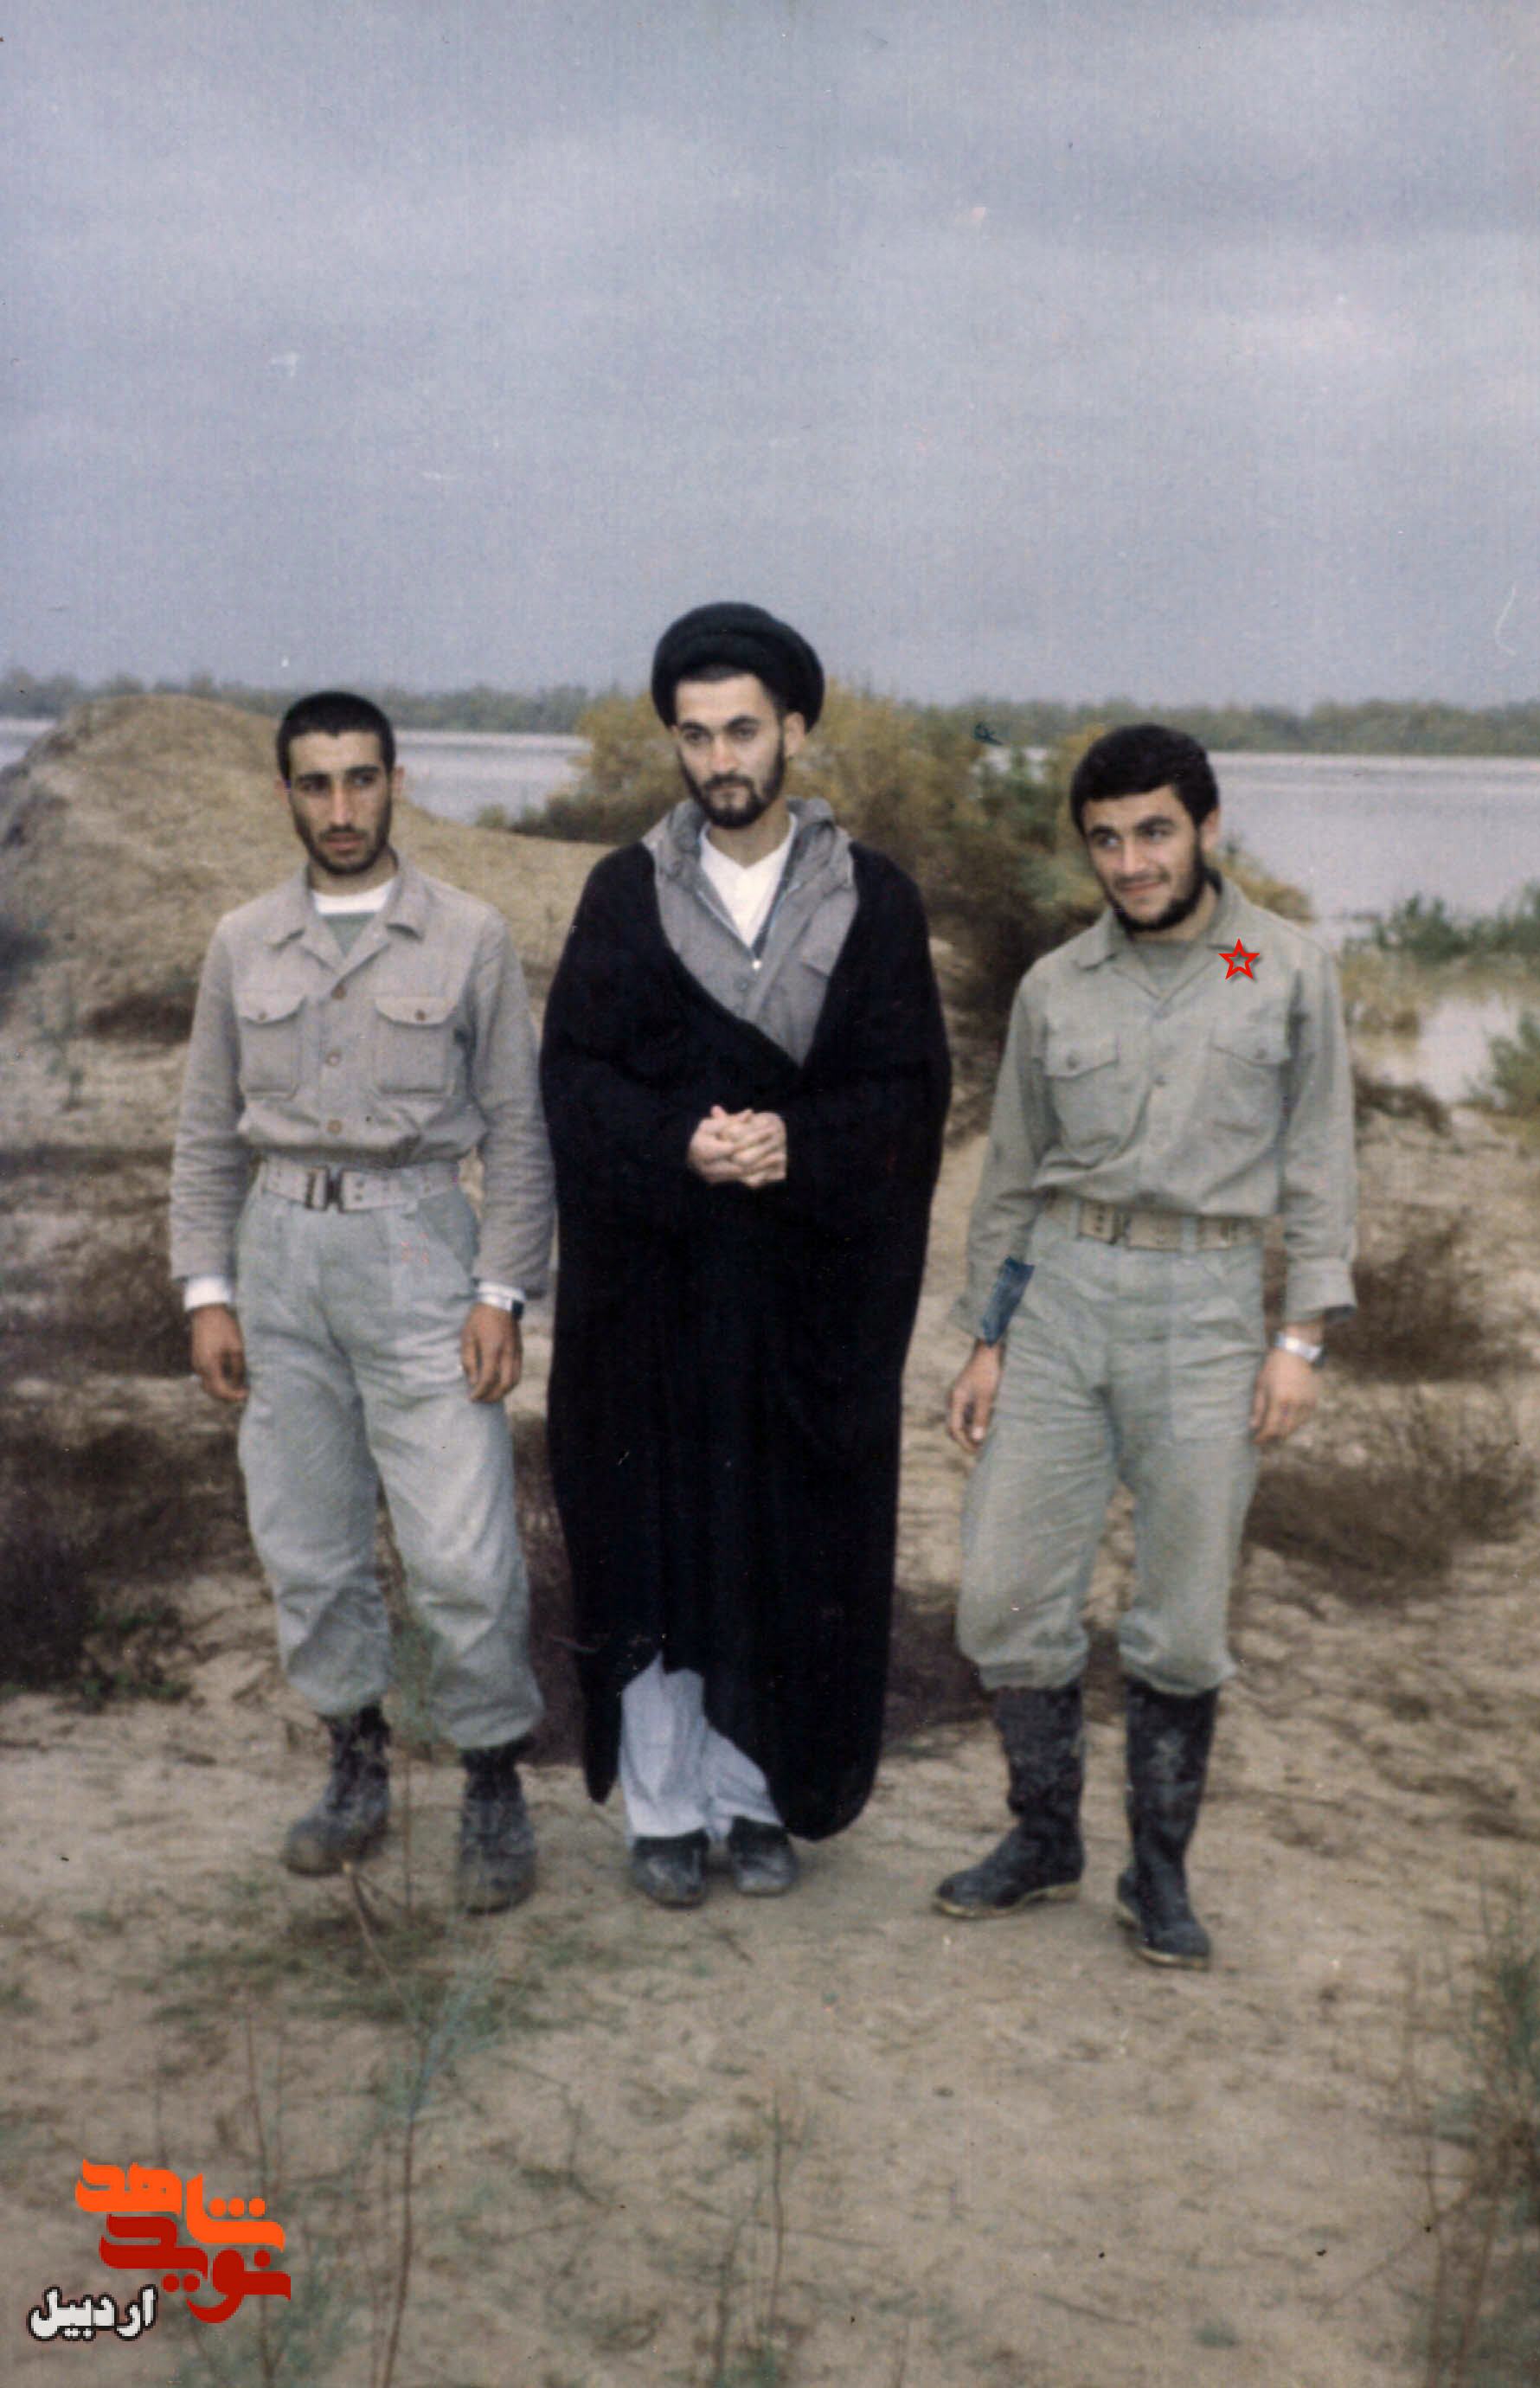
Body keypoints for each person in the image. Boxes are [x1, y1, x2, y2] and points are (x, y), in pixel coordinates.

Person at [541, 603, 950, 1908]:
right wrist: (681, 1143)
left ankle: (756, 1799)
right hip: (655, 1298)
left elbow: (909, 1093)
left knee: (787, 1546)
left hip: (803, 1303)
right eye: (696, 735)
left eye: (743, 732)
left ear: (796, 733)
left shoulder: (873, 900)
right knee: (658, 1541)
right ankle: (665, 1813)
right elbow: (575, 1079)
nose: (720, 760)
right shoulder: (624, 894)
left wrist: (798, 1142)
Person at [936, 722, 1356, 1968]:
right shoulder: (1057, 985)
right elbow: (1012, 1178)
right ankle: (1043, 1839)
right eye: (1107, 840)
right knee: (1006, 1590)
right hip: (1062, 1299)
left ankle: (1156, 1873)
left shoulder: (1279, 969)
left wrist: (1300, 1340)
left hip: (1208, 1309)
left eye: (1156, 832)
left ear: (1207, 829)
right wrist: (988, 1338)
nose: (1131, 863)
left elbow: (1321, 1165)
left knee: (1180, 1612)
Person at [169, 690, 555, 1913]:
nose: (341, 808)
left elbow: (520, 1132)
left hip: (420, 1250)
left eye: (361, 779)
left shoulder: (470, 934)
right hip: (279, 1258)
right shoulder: (242, 941)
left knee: (462, 1549)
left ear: (397, 783)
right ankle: (354, 1764)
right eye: (316, 784)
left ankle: (491, 1778)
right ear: (286, 794)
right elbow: (205, 1133)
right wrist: (208, 1291)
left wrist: (501, 1292)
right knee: (307, 1542)